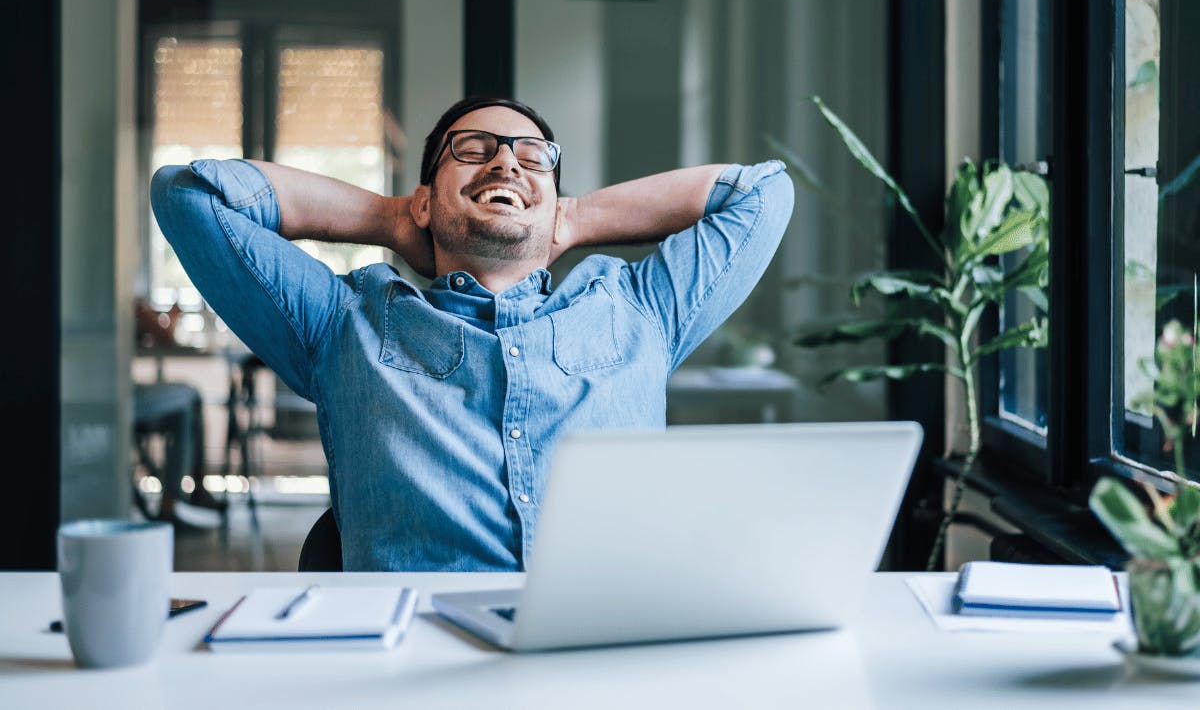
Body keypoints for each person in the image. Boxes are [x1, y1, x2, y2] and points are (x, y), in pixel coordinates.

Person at [151, 96, 794, 571]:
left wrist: (572, 217)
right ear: (426, 200)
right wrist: (391, 217)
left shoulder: (642, 310)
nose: (506, 163)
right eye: (473, 150)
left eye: (532, 157)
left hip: (610, 662)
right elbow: (190, 194)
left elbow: (763, 194)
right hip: (415, 670)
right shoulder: (343, 323)